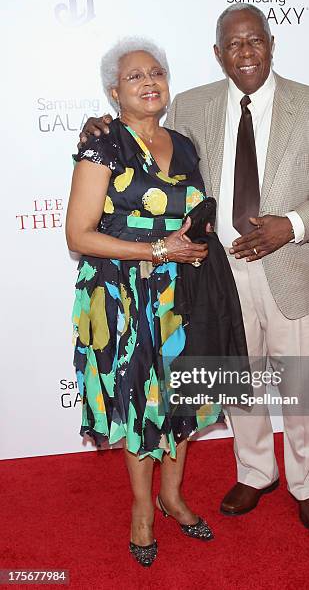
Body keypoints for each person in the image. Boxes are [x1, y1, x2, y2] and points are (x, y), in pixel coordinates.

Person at [80, 3, 309, 532]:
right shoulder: (190, 105)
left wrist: (294, 224)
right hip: (218, 275)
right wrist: (101, 126)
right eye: (233, 44)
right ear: (217, 54)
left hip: (295, 267)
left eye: (255, 40)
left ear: (271, 44)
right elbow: (145, 145)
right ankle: (256, 472)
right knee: (238, 383)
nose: (245, 52)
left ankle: (308, 483)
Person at [66, 36, 247, 567]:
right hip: (122, 297)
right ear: (113, 92)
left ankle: (173, 496)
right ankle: (143, 509)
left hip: (182, 293)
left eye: (156, 73)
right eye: (134, 76)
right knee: (142, 403)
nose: (149, 82)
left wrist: (190, 246)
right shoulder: (104, 145)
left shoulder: (185, 143)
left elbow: (192, 215)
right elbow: (78, 234)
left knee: (182, 399)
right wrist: (155, 248)